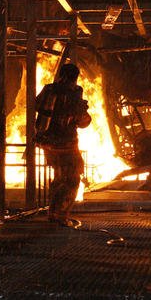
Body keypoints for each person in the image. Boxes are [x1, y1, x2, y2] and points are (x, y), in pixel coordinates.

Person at [34, 62, 92, 227]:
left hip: (47, 143)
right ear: (74, 78)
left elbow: (36, 106)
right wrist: (84, 112)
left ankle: (53, 213)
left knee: (59, 178)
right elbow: (82, 121)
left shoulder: (49, 90)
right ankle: (60, 215)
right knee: (72, 179)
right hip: (67, 144)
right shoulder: (74, 93)